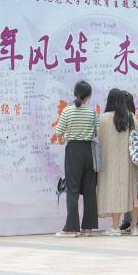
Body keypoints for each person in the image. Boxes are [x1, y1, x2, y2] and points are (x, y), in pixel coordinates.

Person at [54, 81, 99, 237]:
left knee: (72, 189)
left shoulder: (67, 111)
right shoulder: (92, 112)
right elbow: (96, 132)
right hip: (88, 150)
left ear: (75, 93)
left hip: (73, 150)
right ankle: (88, 228)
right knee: (90, 190)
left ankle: (72, 228)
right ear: (89, 96)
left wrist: (67, 137)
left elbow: (58, 132)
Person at [97, 89, 138, 236]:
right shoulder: (130, 117)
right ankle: (134, 227)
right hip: (129, 164)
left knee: (114, 193)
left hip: (109, 163)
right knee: (133, 196)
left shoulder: (102, 119)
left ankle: (115, 227)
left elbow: (96, 140)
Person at [119, 91, 138, 234]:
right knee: (132, 192)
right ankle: (132, 221)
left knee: (131, 192)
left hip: (128, 160)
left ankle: (134, 221)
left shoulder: (127, 118)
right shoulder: (131, 117)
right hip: (134, 160)